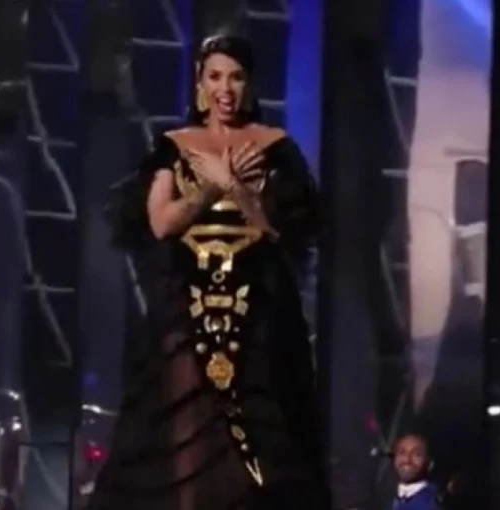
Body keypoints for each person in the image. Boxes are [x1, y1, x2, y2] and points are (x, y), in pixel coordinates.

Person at [88, 34, 327, 510]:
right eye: (215, 77)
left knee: (261, 438)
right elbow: (160, 222)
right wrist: (208, 189)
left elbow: (278, 228)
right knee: (183, 428)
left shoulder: (275, 148)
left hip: (256, 313)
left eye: (236, 77)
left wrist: (235, 187)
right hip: (186, 311)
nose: (225, 88)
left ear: (250, 85)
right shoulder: (174, 147)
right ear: (200, 84)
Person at [389, 433, 441, 510]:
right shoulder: (383, 496)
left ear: (430, 464)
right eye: (402, 452)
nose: (407, 460)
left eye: (417, 454)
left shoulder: (435, 503)